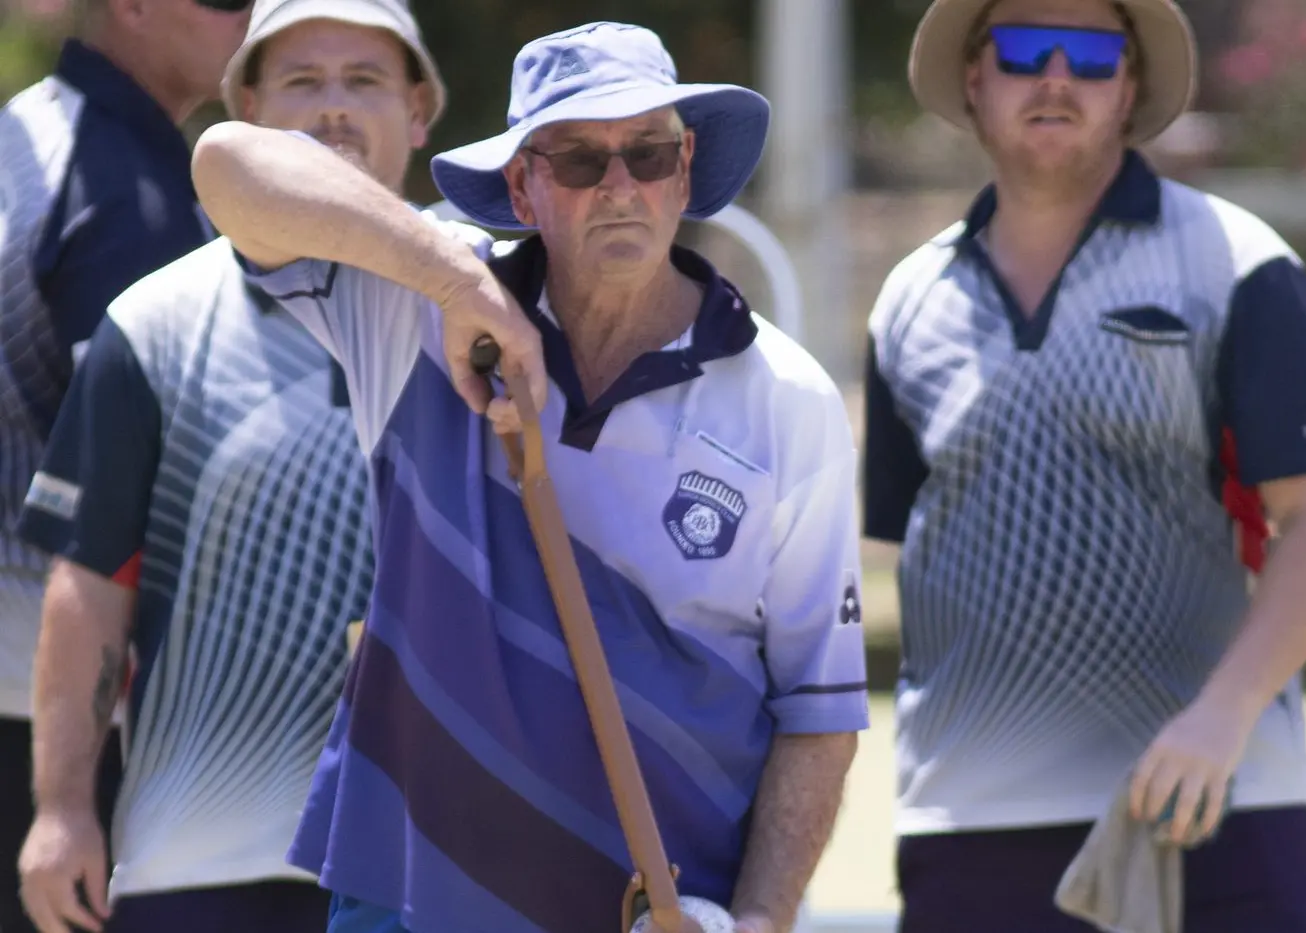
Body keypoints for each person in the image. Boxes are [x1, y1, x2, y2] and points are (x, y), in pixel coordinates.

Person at [191, 20, 869, 933]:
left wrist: (759, 921)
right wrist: (448, 276)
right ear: (522, 184)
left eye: (649, 152)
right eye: (582, 161)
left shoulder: (788, 398)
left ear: (686, 166)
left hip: (653, 907)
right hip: (413, 894)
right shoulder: (415, 311)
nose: (622, 186)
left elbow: (818, 709)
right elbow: (228, 161)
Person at [863, 0, 1306, 930]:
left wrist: (1226, 712)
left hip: (1221, 798)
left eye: (1094, 55)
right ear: (974, 77)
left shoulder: (1238, 262)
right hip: (968, 820)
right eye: (1021, 48)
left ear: (1130, 86)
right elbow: (891, 551)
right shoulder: (907, 299)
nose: (1057, 76)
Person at [12, 0, 444, 931]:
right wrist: (60, 809)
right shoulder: (155, 320)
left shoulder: (489, 317)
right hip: (196, 860)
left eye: (364, 80)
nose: (333, 109)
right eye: (299, 80)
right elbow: (87, 582)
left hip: (437, 860)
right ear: (241, 111)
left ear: (420, 112)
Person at [0, 1, 249, 930]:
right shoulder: (118, 187)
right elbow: (138, 496)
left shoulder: (37, 133)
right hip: (53, 720)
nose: (250, 14)